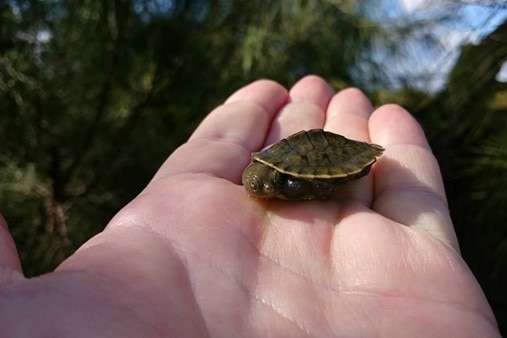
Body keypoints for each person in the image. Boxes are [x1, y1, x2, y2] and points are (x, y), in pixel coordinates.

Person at [0, 75, 500, 337]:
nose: (254, 188)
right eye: (253, 181)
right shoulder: (260, 174)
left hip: (319, 155)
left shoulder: (286, 174)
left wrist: (316, 182)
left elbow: (309, 172)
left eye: (262, 182)